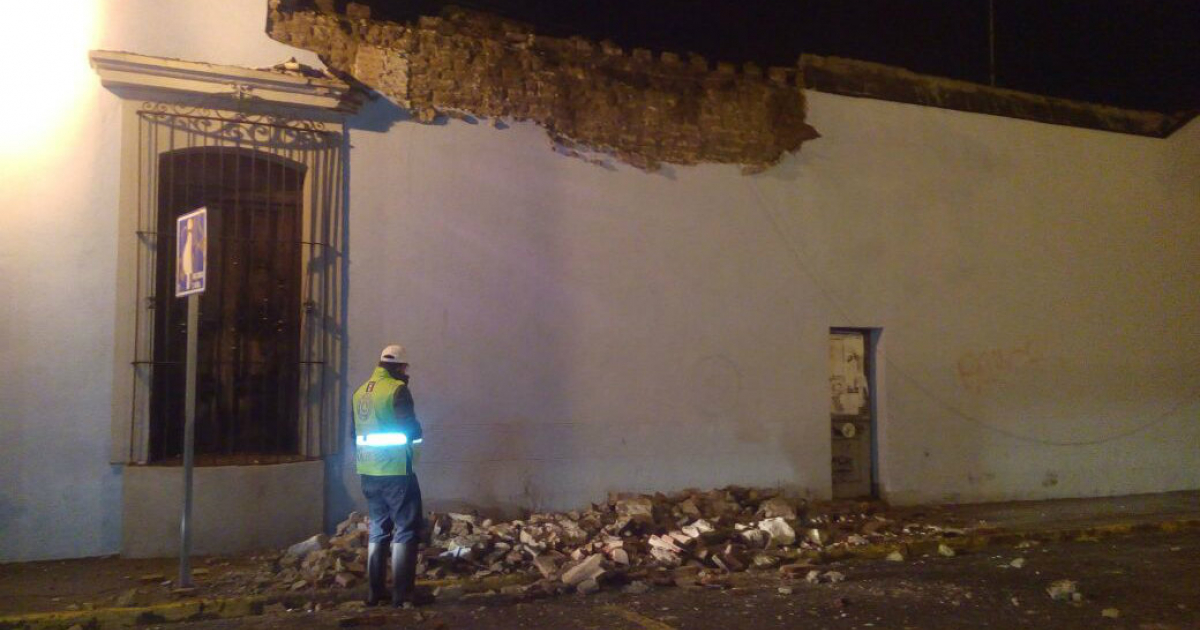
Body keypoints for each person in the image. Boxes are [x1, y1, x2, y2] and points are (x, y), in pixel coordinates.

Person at [352, 344, 424, 607]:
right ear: (398, 367)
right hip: (395, 470)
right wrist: (416, 444)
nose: (406, 373)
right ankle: (402, 595)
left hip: (368, 472)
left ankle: (375, 592)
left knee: (378, 530)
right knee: (406, 529)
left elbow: (354, 433)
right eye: (404, 368)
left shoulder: (360, 392)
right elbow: (411, 429)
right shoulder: (397, 390)